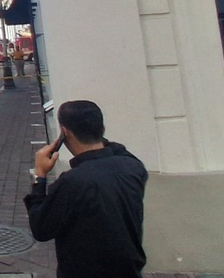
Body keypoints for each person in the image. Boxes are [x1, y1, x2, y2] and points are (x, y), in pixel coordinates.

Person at [23, 100, 148, 278]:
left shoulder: (72, 182)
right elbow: (119, 150)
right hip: (129, 272)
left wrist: (39, 176)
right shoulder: (133, 167)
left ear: (65, 133)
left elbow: (41, 228)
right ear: (101, 129)